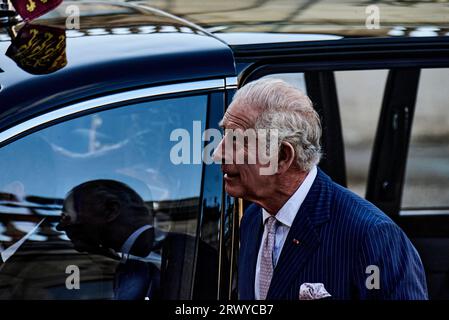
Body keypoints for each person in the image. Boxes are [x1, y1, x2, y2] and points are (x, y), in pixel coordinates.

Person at [212, 78, 428, 300]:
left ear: (282, 157)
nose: (217, 153)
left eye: (237, 141)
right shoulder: (252, 219)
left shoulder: (372, 237)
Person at [56, 179, 160, 300]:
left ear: (111, 210)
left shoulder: (158, 260)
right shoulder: (145, 254)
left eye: (67, 217)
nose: (59, 227)